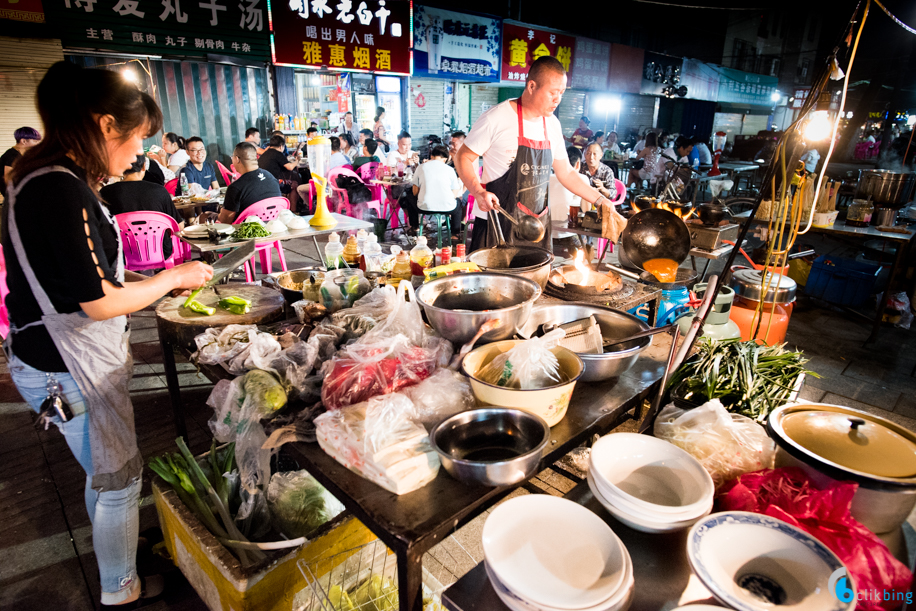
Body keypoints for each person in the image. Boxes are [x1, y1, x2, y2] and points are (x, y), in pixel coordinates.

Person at [3, 61, 212, 610]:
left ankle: (115, 557)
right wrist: (173, 276)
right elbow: (96, 302)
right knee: (119, 479)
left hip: (52, 359)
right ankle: (120, 588)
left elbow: (78, 280)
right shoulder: (58, 188)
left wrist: (144, 281)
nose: (137, 154)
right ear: (104, 125)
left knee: (102, 470)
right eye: (137, 137)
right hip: (66, 366)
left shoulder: (40, 178)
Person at [455, 56, 625, 253]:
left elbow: (567, 173)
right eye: (553, 92)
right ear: (532, 86)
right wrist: (478, 191)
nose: (557, 100)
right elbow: (463, 157)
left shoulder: (552, 124)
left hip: (536, 228)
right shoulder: (496, 118)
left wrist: (600, 200)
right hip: (497, 224)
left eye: (561, 93)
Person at [100, 154, 183, 258]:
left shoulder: (106, 192)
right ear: (144, 166)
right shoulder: (160, 190)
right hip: (161, 252)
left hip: (123, 255)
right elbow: (178, 227)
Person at [401, 145, 465, 237]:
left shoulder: (421, 167)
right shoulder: (450, 170)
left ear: (431, 156)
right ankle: (455, 234)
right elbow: (455, 192)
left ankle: (415, 227)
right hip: (447, 208)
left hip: (424, 208)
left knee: (409, 197)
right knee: (458, 203)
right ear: (445, 159)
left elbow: (415, 192)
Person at [219, 142, 282, 223]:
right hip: (272, 227)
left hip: (246, 231)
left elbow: (225, 221)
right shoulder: (271, 177)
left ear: (237, 159)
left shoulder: (236, 187)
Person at [548, 146, 586, 255]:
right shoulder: (582, 179)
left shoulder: (548, 177)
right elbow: (587, 210)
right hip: (570, 233)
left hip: (546, 232)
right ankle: (580, 247)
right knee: (585, 227)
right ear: (578, 163)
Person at [259, 134, 301, 212]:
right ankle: (293, 212)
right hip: (273, 183)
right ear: (281, 146)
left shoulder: (265, 154)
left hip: (262, 182)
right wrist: (297, 161)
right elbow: (290, 167)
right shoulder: (277, 153)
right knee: (294, 184)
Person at [1, 126, 41, 198]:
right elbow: (8, 179)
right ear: (23, 141)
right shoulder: (12, 156)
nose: (38, 143)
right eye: (35, 141)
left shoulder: (19, 153)